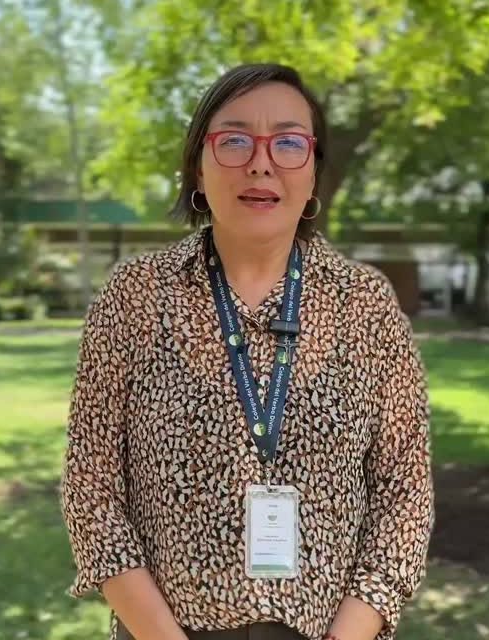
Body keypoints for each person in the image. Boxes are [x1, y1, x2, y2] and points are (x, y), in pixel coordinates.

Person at [60, 63, 434, 640]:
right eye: (234, 141)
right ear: (197, 166)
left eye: (288, 142)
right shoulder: (135, 296)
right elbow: (91, 489)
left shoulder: (366, 304)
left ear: (313, 169)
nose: (261, 163)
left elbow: (405, 492)